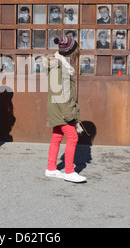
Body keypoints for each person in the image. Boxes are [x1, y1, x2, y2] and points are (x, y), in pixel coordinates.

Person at [43, 36, 86, 183]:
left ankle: (51, 168)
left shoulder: (62, 64)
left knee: (57, 136)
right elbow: (58, 93)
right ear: (71, 51)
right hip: (61, 109)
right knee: (72, 136)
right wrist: (69, 115)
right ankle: (69, 171)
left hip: (59, 108)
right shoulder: (58, 66)